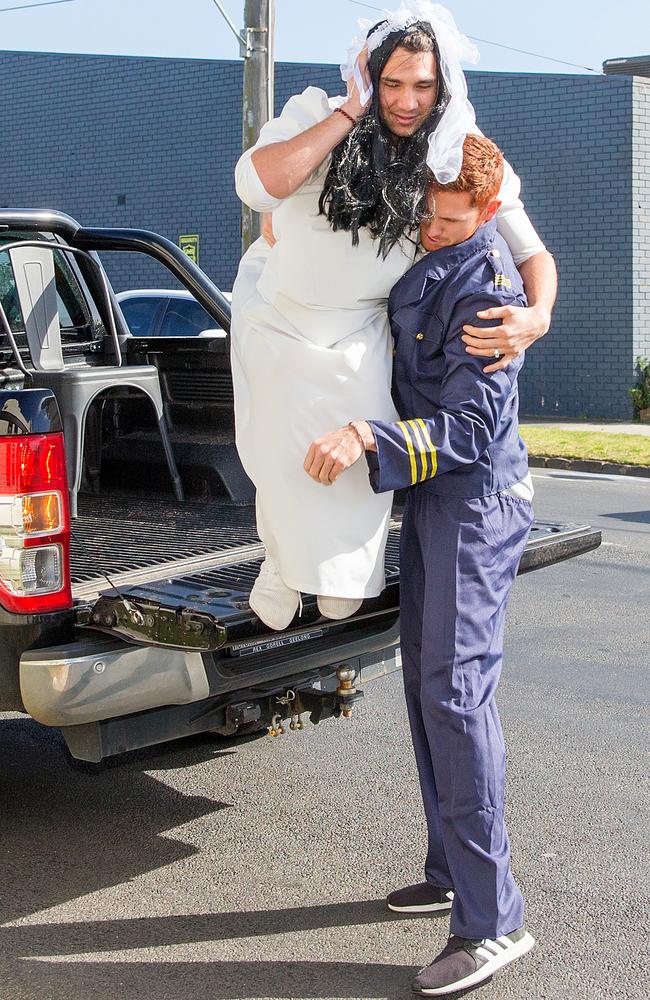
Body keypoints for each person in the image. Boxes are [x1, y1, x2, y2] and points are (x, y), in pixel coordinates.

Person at [231, 1, 556, 631]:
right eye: (393, 83)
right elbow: (256, 187)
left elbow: (531, 250)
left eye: (423, 85)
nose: (407, 101)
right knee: (276, 452)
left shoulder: (456, 153)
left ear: (443, 85)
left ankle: (342, 574)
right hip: (279, 315)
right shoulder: (317, 113)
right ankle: (279, 560)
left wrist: (538, 314)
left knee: (354, 454)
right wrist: (349, 110)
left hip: (360, 330)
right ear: (370, 74)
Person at [304, 133, 536, 996]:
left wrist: (371, 436)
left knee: (456, 692)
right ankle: (451, 867)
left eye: (452, 221)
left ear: (486, 215)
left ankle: (493, 922)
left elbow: (470, 435)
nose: (434, 231)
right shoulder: (427, 253)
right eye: (427, 217)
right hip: (437, 504)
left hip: (476, 504)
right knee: (425, 686)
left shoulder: (486, 288)